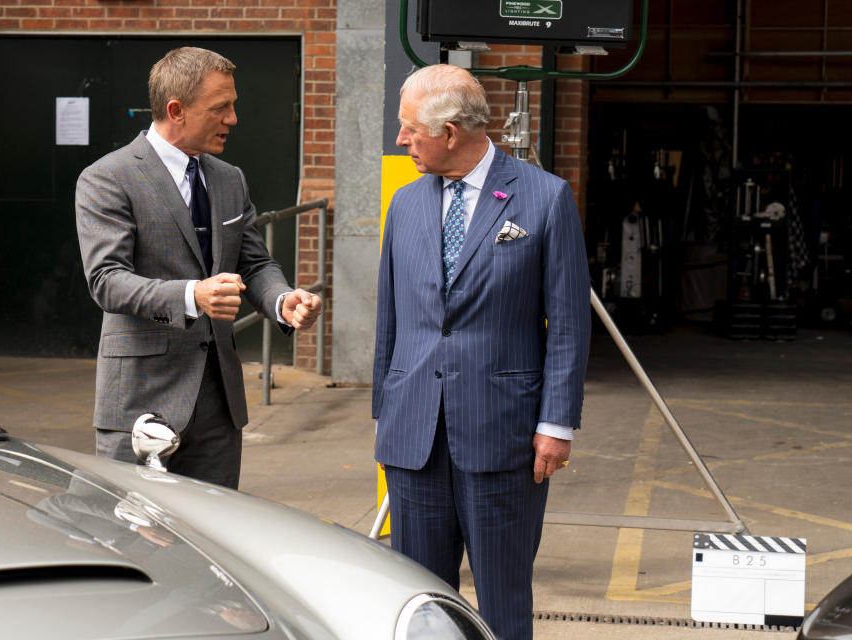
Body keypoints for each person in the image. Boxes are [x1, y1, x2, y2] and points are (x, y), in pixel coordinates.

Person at [372, 64, 590, 640]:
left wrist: (556, 423)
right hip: (414, 435)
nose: (401, 140)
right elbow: (389, 320)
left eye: (409, 129)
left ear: (449, 132)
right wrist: (386, 413)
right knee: (418, 597)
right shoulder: (406, 205)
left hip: (505, 433)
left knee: (502, 595)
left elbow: (568, 323)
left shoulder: (543, 198)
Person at [76, 47, 322, 489]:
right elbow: (106, 280)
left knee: (213, 537)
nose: (233, 119)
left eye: (233, 105)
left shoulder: (230, 178)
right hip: (140, 402)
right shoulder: (107, 177)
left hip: (218, 407)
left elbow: (255, 261)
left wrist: (283, 300)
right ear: (176, 110)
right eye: (220, 107)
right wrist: (193, 295)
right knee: (133, 535)